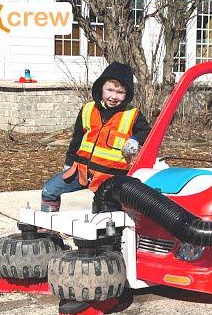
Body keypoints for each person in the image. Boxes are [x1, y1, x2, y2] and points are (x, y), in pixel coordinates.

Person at [41, 61, 152, 213]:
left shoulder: (132, 114)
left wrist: (135, 140)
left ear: (127, 93)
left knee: (102, 210)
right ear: (102, 88)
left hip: (109, 178)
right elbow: (76, 140)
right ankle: (47, 229)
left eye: (120, 92)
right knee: (49, 190)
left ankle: (110, 234)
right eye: (110, 90)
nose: (113, 96)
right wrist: (68, 163)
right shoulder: (87, 109)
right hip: (80, 171)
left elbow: (148, 133)